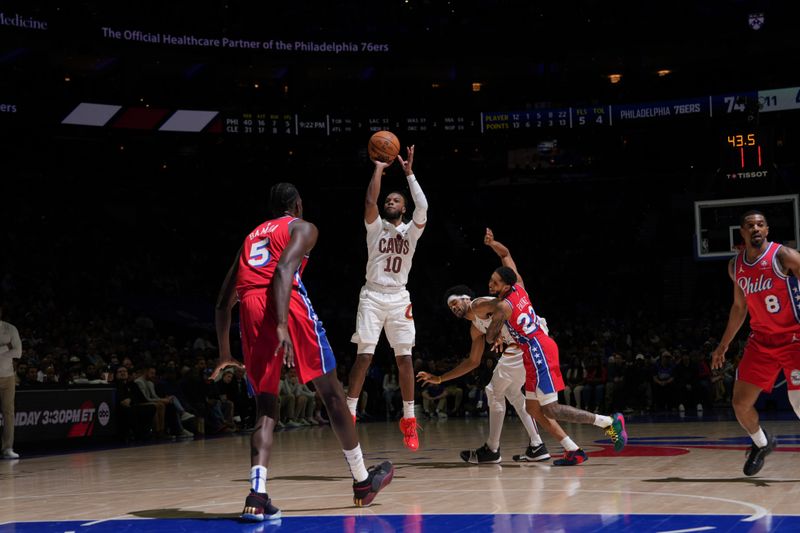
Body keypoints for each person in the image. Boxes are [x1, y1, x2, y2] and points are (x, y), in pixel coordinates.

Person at [213, 182, 393, 521]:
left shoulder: (251, 236)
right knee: (333, 395)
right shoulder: (303, 227)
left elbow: (224, 302)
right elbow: (283, 271)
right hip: (284, 303)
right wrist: (282, 325)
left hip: (249, 309)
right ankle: (362, 482)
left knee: (265, 408)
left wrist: (225, 352)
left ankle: (257, 495)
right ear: (297, 204)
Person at [418, 229, 584, 465]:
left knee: (495, 391)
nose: (454, 307)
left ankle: (492, 449)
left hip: (529, 343)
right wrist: (441, 379)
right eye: (450, 306)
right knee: (516, 396)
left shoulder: (479, 305)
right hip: (522, 347)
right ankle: (537, 445)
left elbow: (505, 306)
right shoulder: (475, 328)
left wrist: (496, 329)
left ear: (467, 299)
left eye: (457, 302)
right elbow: (473, 362)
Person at [485, 264, 628, 465]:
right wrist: (493, 244)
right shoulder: (519, 286)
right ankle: (573, 450)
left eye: (495, 282)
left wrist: (492, 323)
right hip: (534, 350)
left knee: (551, 409)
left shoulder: (502, 306)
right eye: (491, 279)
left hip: (538, 351)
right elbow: (507, 255)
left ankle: (609, 421)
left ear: (507, 286)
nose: (490, 284)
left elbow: (490, 337)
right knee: (533, 409)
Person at [346, 145, 428, 451]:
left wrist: (409, 174)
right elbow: (369, 200)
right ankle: (350, 411)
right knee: (364, 356)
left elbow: (424, 206)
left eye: (395, 200)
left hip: (399, 297)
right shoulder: (375, 227)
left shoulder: (411, 232)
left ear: (403, 208)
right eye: (388, 200)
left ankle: (408, 419)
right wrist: (379, 167)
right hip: (372, 295)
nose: (389, 202)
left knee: (404, 358)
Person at [711, 210, 800, 476]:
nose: (756, 228)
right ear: (742, 232)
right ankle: (762, 444)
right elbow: (739, 308)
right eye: (750, 225)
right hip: (761, 341)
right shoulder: (735, 266)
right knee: (740, 404)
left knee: (798, 404)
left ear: (767, 229)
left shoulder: (783, 255)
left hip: (794, 339)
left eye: (760, 224)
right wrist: (723, 345)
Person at [0, 304, 22, 459]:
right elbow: (11, 350)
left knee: (8, 413)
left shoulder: (10, 329)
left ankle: (7, 448)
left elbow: (18, 353)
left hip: (8, 377)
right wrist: (5, 348)